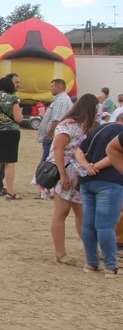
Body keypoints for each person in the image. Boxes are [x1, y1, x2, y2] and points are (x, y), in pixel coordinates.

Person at [36, 94, 98, 265]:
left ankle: (90, 248)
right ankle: (60, 253)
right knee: (61, 213)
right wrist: (63, 175)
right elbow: (57, 149)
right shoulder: (68, 125)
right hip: (65, 172)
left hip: (76, 173)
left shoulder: (80, 125)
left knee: (81, 213)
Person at [75, 115, 123, 277]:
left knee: (89, 223)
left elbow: (79, 150)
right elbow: (114, 153)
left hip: (87, 181)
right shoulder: (120, 133)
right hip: (110, 181)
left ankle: (91, 263)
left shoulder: (99, 129)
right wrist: (96, 166)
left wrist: (87, 166)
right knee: (106, 225)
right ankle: (111, 266)